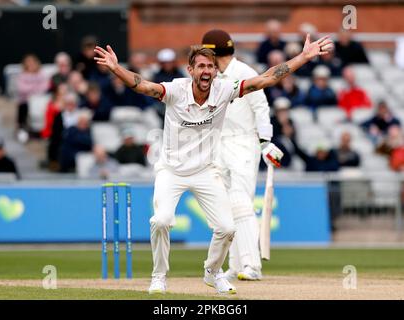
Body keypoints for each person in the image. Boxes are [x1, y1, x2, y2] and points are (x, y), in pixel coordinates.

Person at [94, 32, 331, 294]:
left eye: (210, 66)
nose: (206, 71)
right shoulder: (175, 90)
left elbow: (268, 78)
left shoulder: (224, 90)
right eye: (201, 66)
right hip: (171, 171)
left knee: (228, 228)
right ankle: (159, 275)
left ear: (215, 72)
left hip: (206, 171)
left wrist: (304, 57)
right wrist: (116, 68)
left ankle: (213, 271)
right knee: (161, 221)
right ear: (190, 70)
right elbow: (142, 85)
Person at [202, 29, 272, 281]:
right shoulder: (209, 76)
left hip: (243, 143)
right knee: (225, 208)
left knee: (241, 202)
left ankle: (252, 265)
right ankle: (234, 265)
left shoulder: (244, 73)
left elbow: (260, 107)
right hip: (217, 145)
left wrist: (266, 142)